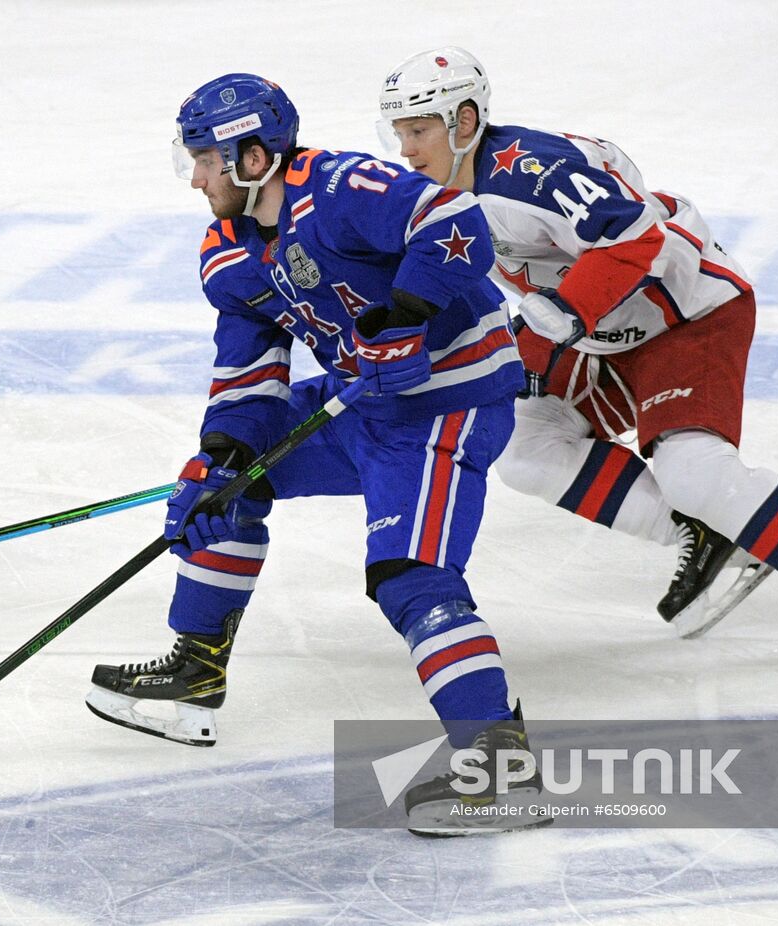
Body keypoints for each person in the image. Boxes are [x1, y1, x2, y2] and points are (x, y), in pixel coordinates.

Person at [85, 73, 546, 835]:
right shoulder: (227, 251)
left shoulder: (339, 188)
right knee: (224, 487)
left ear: (254, 157)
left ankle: (500, 768)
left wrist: (407, 316)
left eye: (205, 160)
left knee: (412, 580)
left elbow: (453, 220)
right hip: (361, 404)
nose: (195, 179)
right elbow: (248, 370)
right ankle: (195, 671)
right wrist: (223, 458)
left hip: (445, 405)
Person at [375, 47, 778, 661]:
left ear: (464, 122)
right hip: (601, 330)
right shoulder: (450, 191)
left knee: (692, 470)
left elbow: (636, 236)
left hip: (686, 311)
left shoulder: (532, 177)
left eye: (418, 131)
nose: (407, 150)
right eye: (399, 133)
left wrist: (571, 307)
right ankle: (703, 535)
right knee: (524, 448)